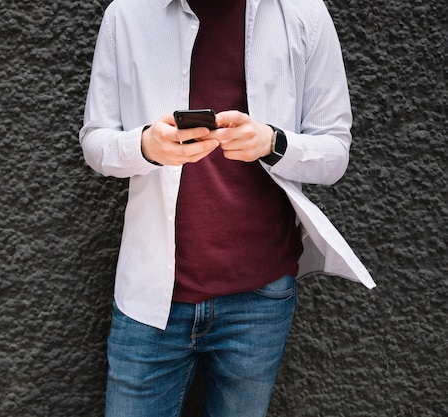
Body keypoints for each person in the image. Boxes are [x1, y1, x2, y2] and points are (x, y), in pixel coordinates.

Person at [79, 0, 376, 416]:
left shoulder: (304, 13)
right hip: (149, 298)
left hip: (260, 298)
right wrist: (144, 145)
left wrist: (273, 142)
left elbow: (335, 152)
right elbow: (95, 140)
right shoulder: (127, 13)